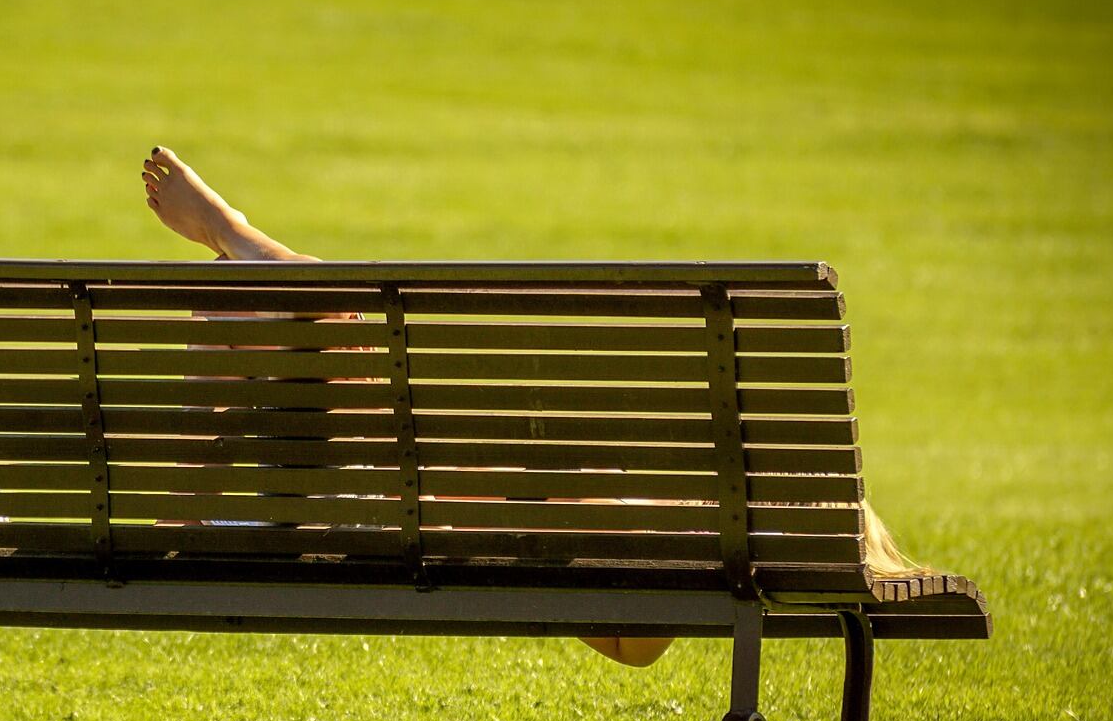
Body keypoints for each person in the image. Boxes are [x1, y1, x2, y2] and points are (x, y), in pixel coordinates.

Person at [138, 146, 924, 669]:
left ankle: (245, 244)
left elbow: (511, 506)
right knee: (263, 321)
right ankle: (249, 254)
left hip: (370, 497)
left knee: (286, 323)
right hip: (373, 501)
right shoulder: (670, 586)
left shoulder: (657, 533)